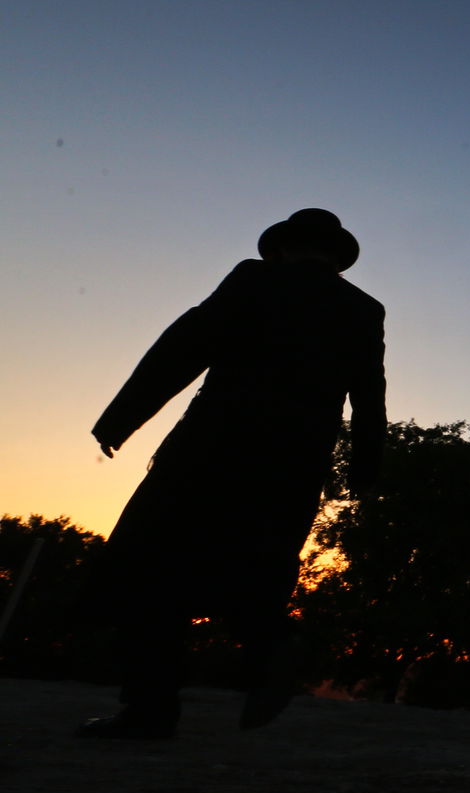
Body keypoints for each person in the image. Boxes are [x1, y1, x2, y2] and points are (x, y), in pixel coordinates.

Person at [77, 208, 386, 739]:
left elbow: (185, 345)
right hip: (295, 462)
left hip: (213, 448)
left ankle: (150, 708)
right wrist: (364, 468)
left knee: (149, 562)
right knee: (256, 565)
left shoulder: (254, 277)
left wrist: (122, 417)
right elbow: (370, 397)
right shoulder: (363, 309)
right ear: (336, 258)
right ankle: (272, 645)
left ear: (285, 247)